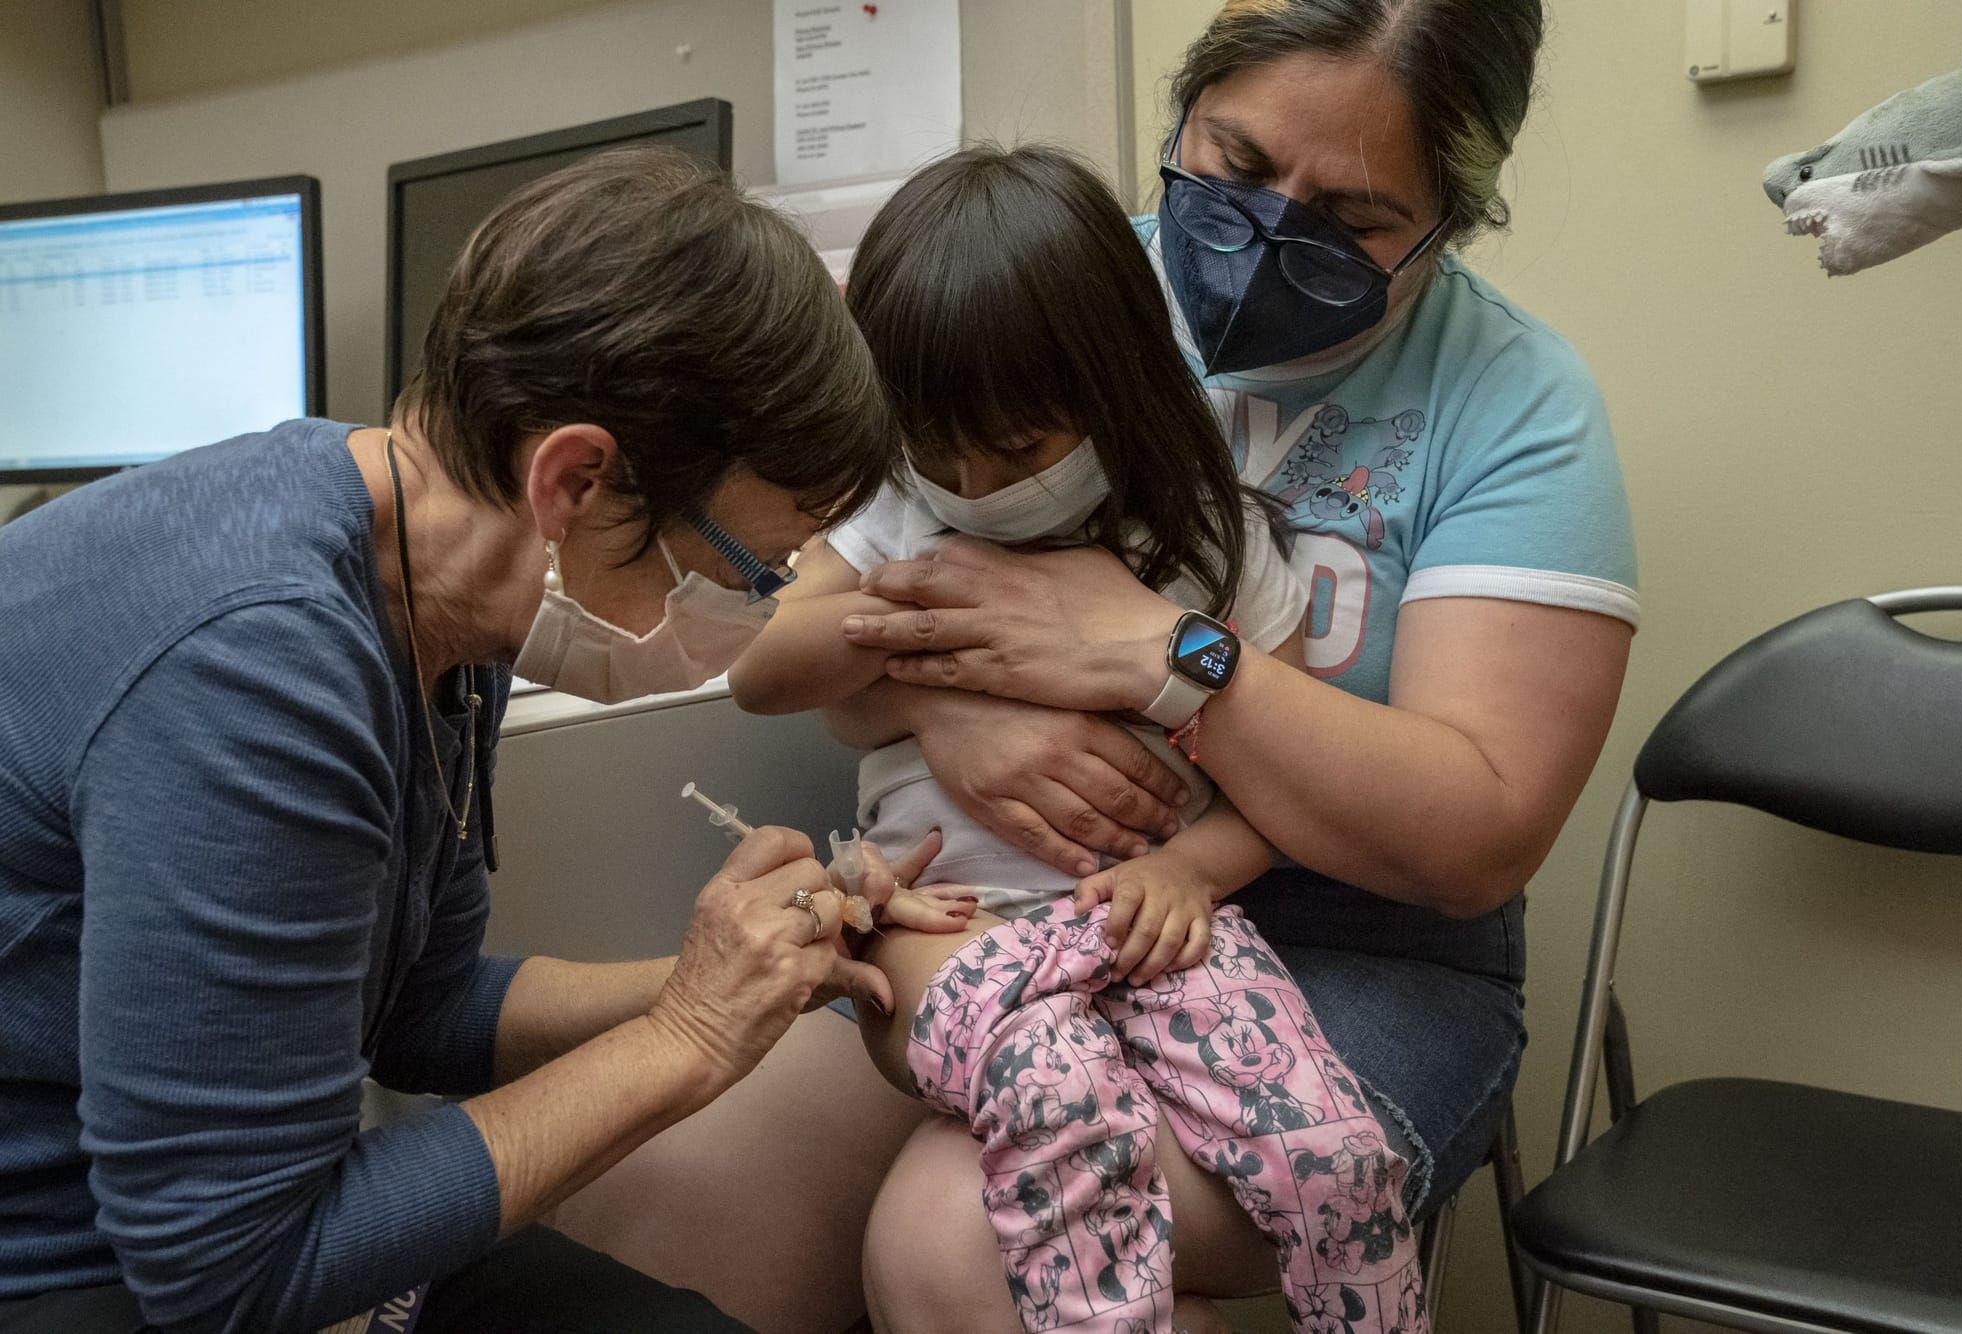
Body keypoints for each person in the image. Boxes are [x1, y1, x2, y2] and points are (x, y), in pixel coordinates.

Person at [0, 146, 949, 1334]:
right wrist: (690, 1034)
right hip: (72, 1264)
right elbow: (230, 1268)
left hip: (229, 1230)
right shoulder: (260, 664)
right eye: (747, 568)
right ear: (575, 479)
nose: (756, 609)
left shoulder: (446, 599)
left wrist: (746, 976)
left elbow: (419, 1012)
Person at [835, 1, 1639, 1327]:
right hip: (1002, 891)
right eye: (1237, 164)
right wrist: (949, 697)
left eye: (1354, 217)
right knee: (685, 1181)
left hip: (1358, 945)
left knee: (959, 1239)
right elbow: (800, 607)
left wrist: (1166, 651)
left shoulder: (1515, 406)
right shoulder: (1045, 289)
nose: (1271, 229)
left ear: (1453, 215)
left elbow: (1475, 837)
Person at [731, 144, 1428, 1333]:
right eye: (937, 444)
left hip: (1151, 927)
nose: (975, 483)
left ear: (1113, 388)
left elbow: (1285, 761)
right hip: (946, 922)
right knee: (1062, 1107)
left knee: (1335, 1160)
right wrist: (924, 644)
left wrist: (1184, 868)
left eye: (1019, 447)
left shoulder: (1200, 539)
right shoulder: (897, 509)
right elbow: (761, 669)